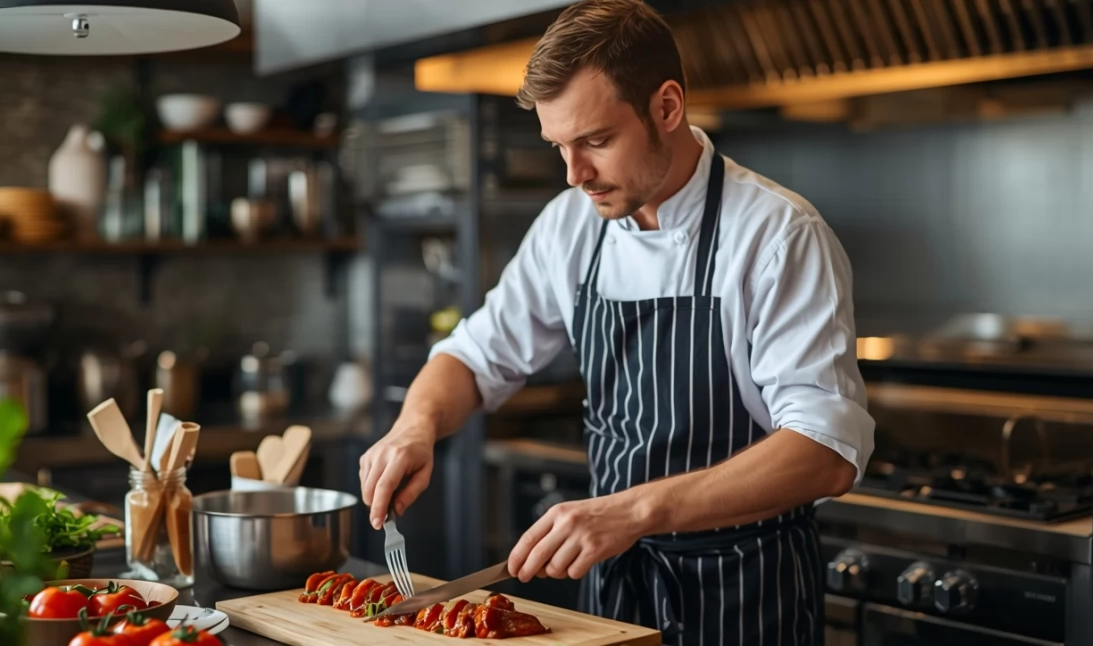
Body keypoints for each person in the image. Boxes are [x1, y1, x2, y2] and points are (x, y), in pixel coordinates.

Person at [358, 0, 875, 643]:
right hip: (613, 600)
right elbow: (475, 354)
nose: (576, 175)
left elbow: (826, 452)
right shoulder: (573, 223)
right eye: (559, 147)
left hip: (746, 596)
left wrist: (634, 510)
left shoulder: (776, 235)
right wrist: (416, 427)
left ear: (667, 107)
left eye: (596, 142)